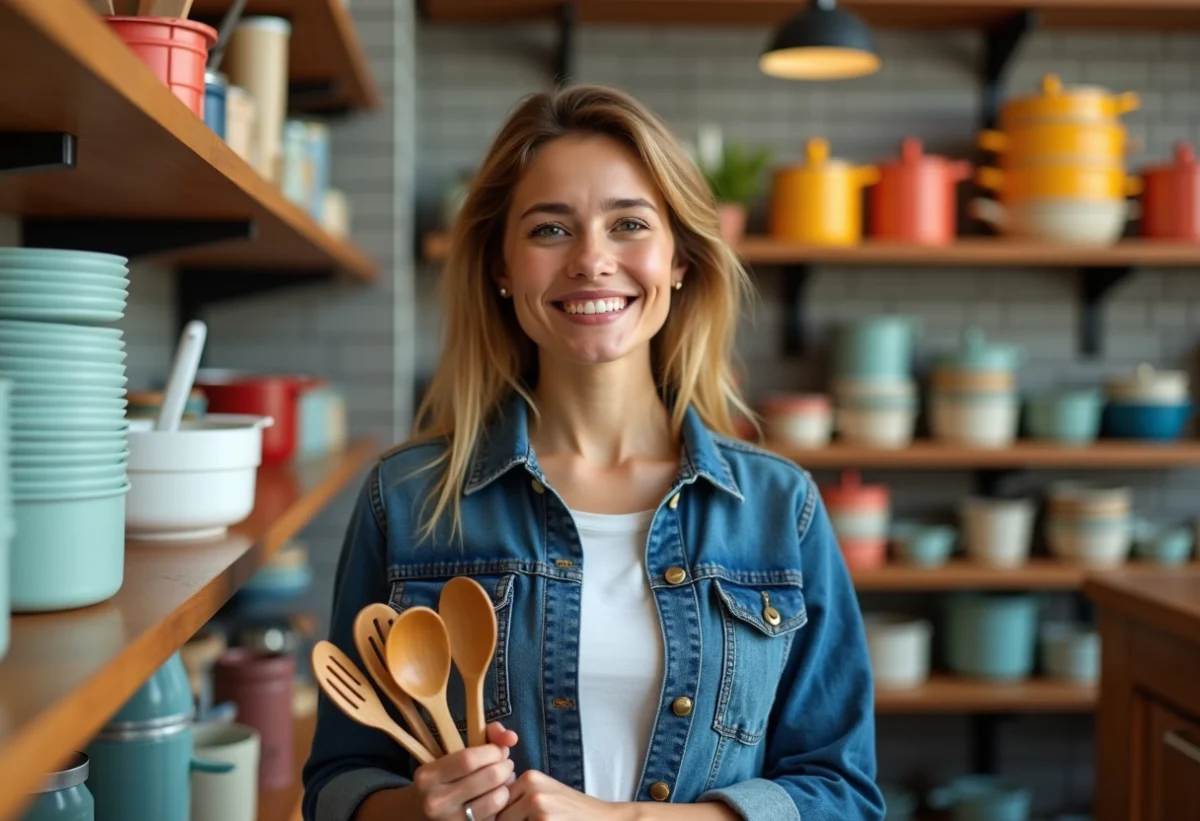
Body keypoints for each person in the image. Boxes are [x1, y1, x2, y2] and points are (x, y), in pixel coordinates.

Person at [302, 82, 883, 821]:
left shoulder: (780, 508)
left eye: (630, 224)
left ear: (679, 259)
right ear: (502, 269)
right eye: (550, 230)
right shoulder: (410, 497)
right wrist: (422, 810)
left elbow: (843, 795)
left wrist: (622, 819)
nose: (592, 260)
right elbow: (337, 785)